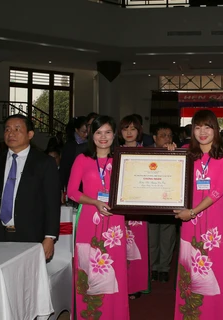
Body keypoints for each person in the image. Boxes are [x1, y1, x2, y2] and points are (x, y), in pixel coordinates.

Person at [172, 110, 223, 320]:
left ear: (215, 130)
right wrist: (168, 151)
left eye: (207, 127)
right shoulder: (185, 154)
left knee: (213, 270)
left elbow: (217, 191)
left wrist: (192, 212)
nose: (202, 132)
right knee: (190, 269)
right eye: (197, 127)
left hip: (214, 223)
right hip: (188, 221)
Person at [67, 115, 129, 319]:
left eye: (108, 132)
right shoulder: (82, 159)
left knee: (114, 270)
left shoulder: (123, 158)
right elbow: (72, 192)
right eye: (98, 132)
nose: (103, 137)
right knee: (89, 269)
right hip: (88, 220)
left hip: (115, 222)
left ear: (115, 135)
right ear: (91, 135)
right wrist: (95, 202)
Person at [0, 114, 60, 259]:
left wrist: (50, 237)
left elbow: (52, 202)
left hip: (30, 234)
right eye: (7, 130)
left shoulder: (44, 163)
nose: (11, 133)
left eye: (17, 129)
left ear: (30, 134)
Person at [118, 115, 148, 299]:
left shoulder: (149, 152)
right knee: (118, 246)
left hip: (140, 205)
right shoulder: (114, 152)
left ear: (139, 131)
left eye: (133, 129)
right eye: (125, 129)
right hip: (118, 206)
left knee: (138, 248)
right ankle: (120, 285)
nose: (129, 132)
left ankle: (135, 286)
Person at [148, 123, 177, 282]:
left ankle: (164, 268)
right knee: (152, 237)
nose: (167, 138)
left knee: (168, 237)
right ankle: (152, 267)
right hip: (150, 201)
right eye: (163, 135)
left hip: (169, 202)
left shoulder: (175, 152)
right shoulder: (146, 152)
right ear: (154, 138)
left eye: (169, 135)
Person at [59, 116, 88, 191]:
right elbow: (64, 169)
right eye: (83, 132)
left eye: (87, 131)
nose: (86, 135)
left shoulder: (90, 144)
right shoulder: (70, 146)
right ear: (76, 130)